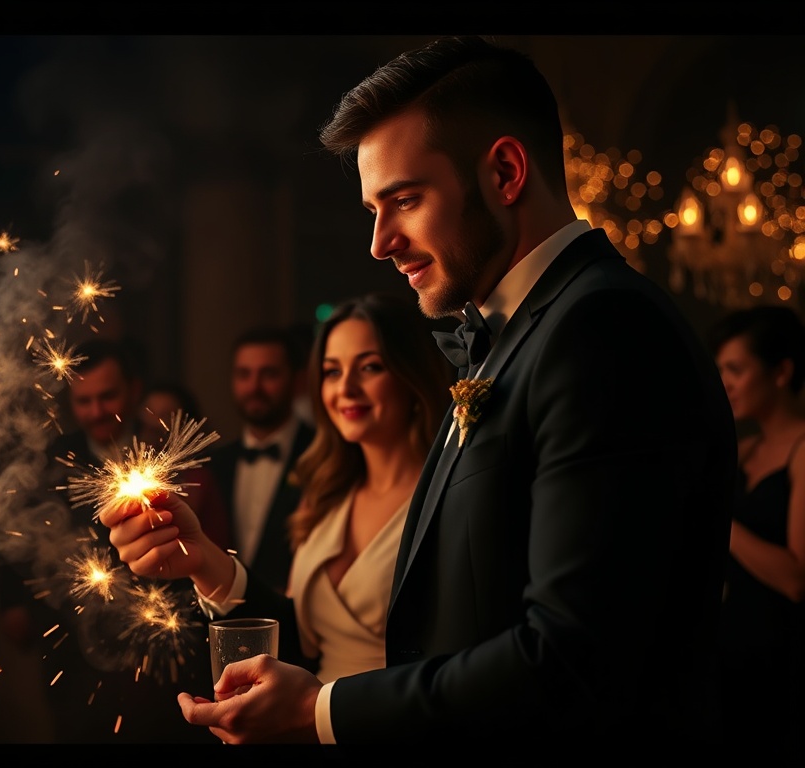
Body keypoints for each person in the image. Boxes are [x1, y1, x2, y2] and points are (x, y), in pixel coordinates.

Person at [99, 35, 737, 754]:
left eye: (404, 200)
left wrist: (322, 712)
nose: (379, 243)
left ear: (504, 171)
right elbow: (443, 626)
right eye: (375, 207)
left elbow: (573, 659)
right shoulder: (511, 336)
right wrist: (209, 563)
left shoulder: (605, 329)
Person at [113, 293, 451, 683]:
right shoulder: (325, 492)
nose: (347, 388)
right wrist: (202, 557)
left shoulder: (444, 496)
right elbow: (295, 642)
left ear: (413, 375)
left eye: (370, 367)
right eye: (332, 371)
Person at [0, 337, 217, 743]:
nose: (96, 411)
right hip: (76, 666)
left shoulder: (163, 455)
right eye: (84, 400)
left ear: (134, 390)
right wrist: (14, 603)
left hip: (165, 663)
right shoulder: (50, 467)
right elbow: (18, 541)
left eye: (108, 396)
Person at [707, 304, 805, 761]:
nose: (724, 382)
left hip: (784, 661)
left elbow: (796, 578)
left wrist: (719, 518)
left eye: (736, 369)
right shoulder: (745, 450)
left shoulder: (802, 452)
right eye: (720, 370)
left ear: (781, 372)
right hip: (729, 656)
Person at [205, 325, 315, 593]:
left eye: (269, 374)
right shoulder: (215, 464)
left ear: (297, 381)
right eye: (244, 374)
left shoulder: (322, 454)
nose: (254, 387)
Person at [135, 379, 229, 548]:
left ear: (185, 426)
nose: (154, 424)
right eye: (150, 413)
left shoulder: (198, 478)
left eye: (164, 416)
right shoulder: (132, 472)